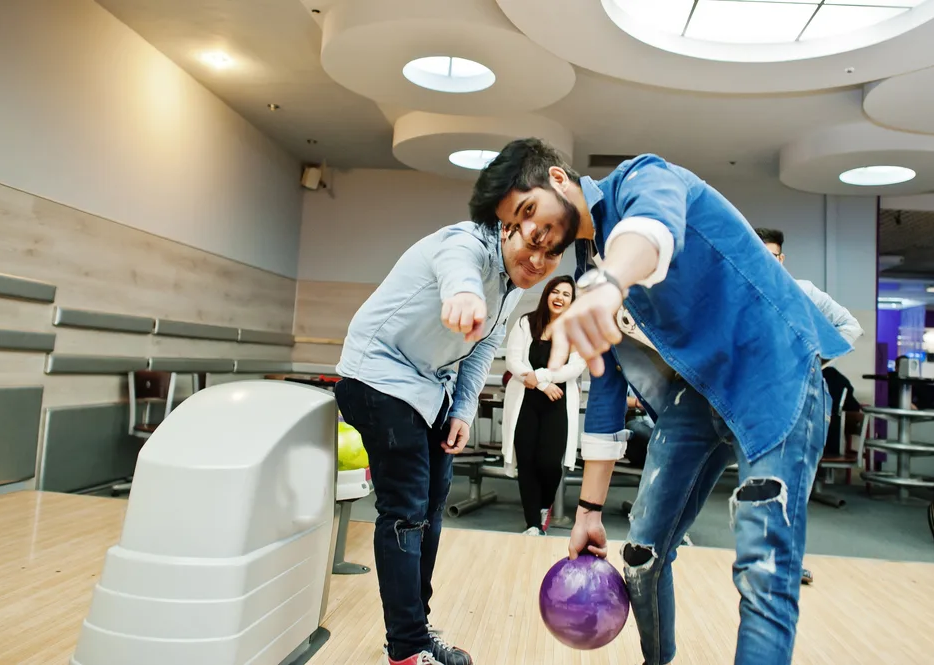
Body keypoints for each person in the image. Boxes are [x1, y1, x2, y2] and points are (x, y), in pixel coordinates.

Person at [468, 138, 853, 665]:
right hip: (697, 400)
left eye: (528, 210)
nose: (530, 233)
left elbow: (651, 229)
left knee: (764, 570)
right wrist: (588, 511)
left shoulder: (642, 178)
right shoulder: (586, 271)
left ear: (559, 179)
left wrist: (610, 284)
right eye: (515, 226)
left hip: (775, 371)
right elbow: (605, 389)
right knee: (641, 557)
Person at [334, 219, 561, 665]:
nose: (538, 261)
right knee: (405, 511)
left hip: (428, 386)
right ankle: (405, 648)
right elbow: (457, 268)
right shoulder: (466, 242)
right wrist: (464, 293)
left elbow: (482, 348)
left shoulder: (512, 286)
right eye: (533, 244)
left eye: (552, 253)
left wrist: (461, 410)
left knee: (432, 507)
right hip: (377, 376)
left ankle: (413, 628)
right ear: (508, 225)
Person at [755, 226, 864, 586]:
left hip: (808, 400)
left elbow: (851, 326)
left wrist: (816, 358)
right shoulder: (747, 294)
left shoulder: (804, 292)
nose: (766, 263)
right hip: (766, 403)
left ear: (781, 259)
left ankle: (789, 563)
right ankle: (766, 559)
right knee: (766, 485)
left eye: (772, 256)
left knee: (796, 486)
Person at [501, 274, 587, 535]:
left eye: (566, 294)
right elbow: (513, 361)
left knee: (550, 463)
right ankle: (533, 524)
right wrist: (540, 384)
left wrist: (542, 376)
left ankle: (544, 505)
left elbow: (576, 366)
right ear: (546, 294)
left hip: (557, 404)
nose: (559, 298)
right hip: (525, 401)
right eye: (555, 292)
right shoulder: (526, 323)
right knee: (526, 462)